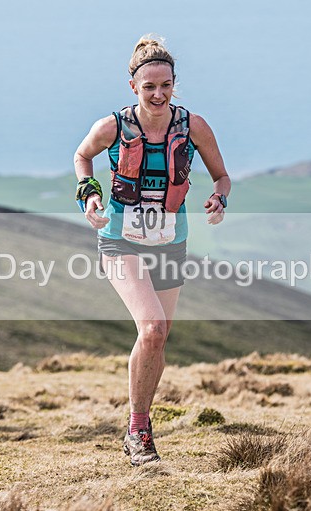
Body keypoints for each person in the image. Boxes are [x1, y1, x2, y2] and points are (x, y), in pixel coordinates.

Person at [73, 36, 231, 466]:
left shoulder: (193, 126)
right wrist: (88, 195)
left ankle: (139, 423)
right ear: (133, 87)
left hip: (170, 243)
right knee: (153, 329)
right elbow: (82, 156)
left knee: (158, 341)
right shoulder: (113, 127)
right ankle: (138, 430)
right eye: (149, 87)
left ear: (174, 83)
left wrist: (219, 199)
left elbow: (221, 177)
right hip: (120, 239)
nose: (158, 94)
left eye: (166, 85)